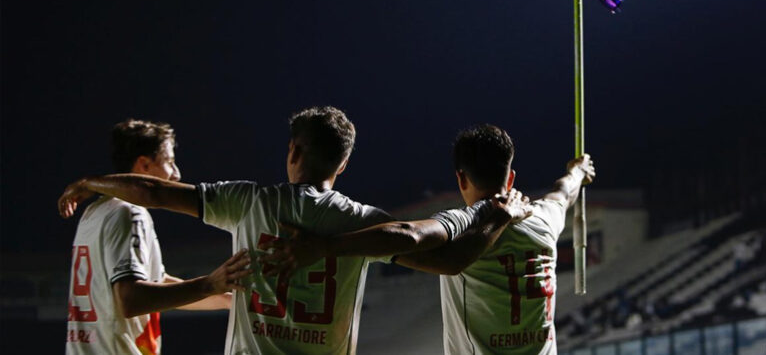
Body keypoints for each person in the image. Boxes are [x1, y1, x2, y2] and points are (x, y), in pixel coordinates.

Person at [59, 107, 530, 355]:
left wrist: (89, 180)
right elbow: (449, 260)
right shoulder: (360, 220)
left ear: (292, 151)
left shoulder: (248, 202)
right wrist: (493, 215)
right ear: (343, 164)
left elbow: (157, 193)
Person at [270, 124, 595, 355]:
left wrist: (326, 246)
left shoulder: (464, 226)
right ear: (510, 177)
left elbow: (407, 236)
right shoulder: (544, 218)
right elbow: (563, 192)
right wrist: (579, 171)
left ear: (460, 177)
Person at [62, 119, 251, 355]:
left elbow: (157, 283)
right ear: (145, 165)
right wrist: (209, 283)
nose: (176, 174)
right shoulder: (130, 212)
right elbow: (132, 299)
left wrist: (223, 298)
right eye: (169, 162)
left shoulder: (94, 212)